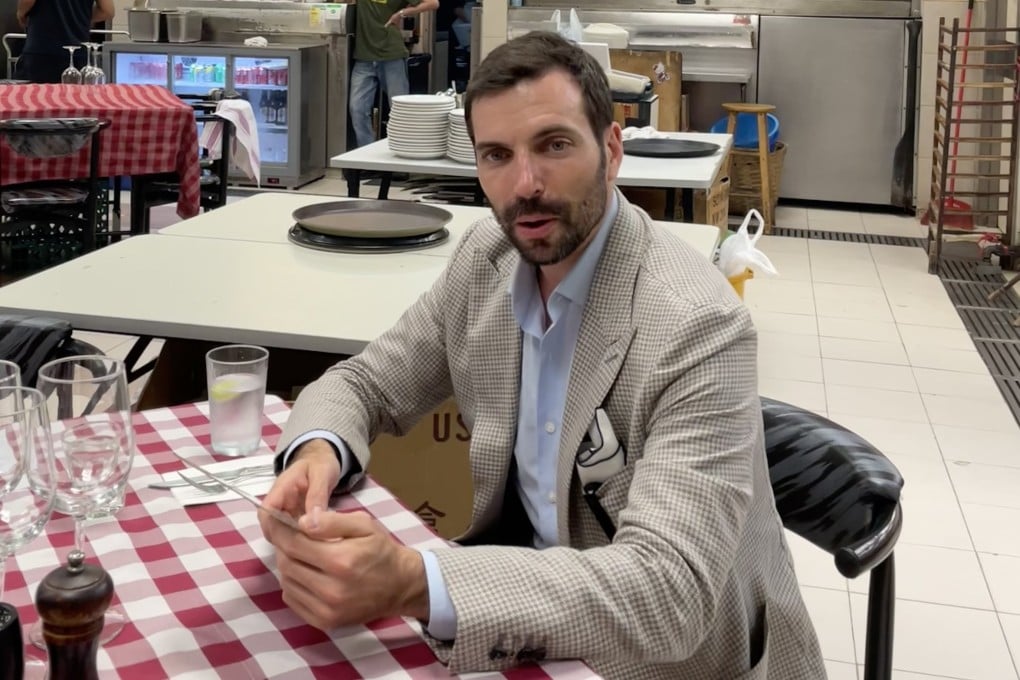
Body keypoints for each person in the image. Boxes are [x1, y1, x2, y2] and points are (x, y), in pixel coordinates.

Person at [261, 31, 827, 679]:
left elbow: (670, 592)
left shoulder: (695, 326)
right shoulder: (486, 262)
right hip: (532, 623)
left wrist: (417, 581)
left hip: (679, 659)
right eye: (496, 155)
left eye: (553, 146)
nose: (524, 184)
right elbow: (367, 384)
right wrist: (318, 450)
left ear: (611, 151)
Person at [349, 0, 439, 149]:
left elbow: (433, 3)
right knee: (357, 109)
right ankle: (369, 158)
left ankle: (400, 153)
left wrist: (402, 13)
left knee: (399, 109)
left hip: (391, 55)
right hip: (364, 57)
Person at [14, 0, 114, 83]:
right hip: (79, 56)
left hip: (41, 53)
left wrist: (20, 13)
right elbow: (108, 11)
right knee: (76, 103)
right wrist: (82, 16)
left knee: (33, 101)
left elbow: (27, 1)